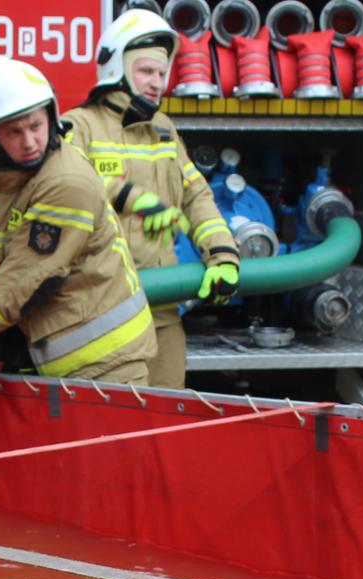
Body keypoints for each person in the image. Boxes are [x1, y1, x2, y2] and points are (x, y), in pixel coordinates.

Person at [0, 57, 157, 395]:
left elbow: (25, 278)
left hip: (108, 361)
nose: (29, 142)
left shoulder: (67, 181)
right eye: (14, 132)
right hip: (50, 351)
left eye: (36, 126)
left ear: (52, 117)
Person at [61, 9, 240, 389]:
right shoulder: (79, 126)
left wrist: (222, 254)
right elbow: (65, 191)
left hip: (162, 310)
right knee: (113, 427)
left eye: (162, 73)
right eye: (146, 71)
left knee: (165, 425)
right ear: (116, 68)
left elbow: (197, 196)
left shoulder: (163, 130)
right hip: (100, 314)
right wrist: (127, 195)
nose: (157, 82)